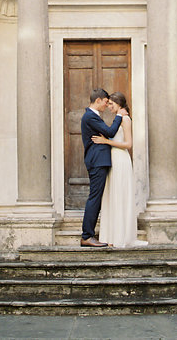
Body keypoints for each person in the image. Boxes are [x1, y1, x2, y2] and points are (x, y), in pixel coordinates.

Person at [92, 92, 146, 248]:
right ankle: (111, 236)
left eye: (111, 104)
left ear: (119, 104)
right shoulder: (117, 119)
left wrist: (106, 142)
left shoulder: (126, 119)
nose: (108, 107)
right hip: (113, 160)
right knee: (112, 196)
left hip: (121, 160)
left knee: (120, 195)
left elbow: (128, 144)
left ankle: (120, 236)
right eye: (107, 104)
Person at [79, 87, 122, 247]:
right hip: (97, 161)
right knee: (95, 198)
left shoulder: (93, 116)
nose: (106, 106)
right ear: (98, 100)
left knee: (97, 197)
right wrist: (120, 115)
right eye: (105, 102)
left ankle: (90, 234)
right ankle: (87, 235)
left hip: (99, 161)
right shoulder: (90, 117)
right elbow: (109, 132)